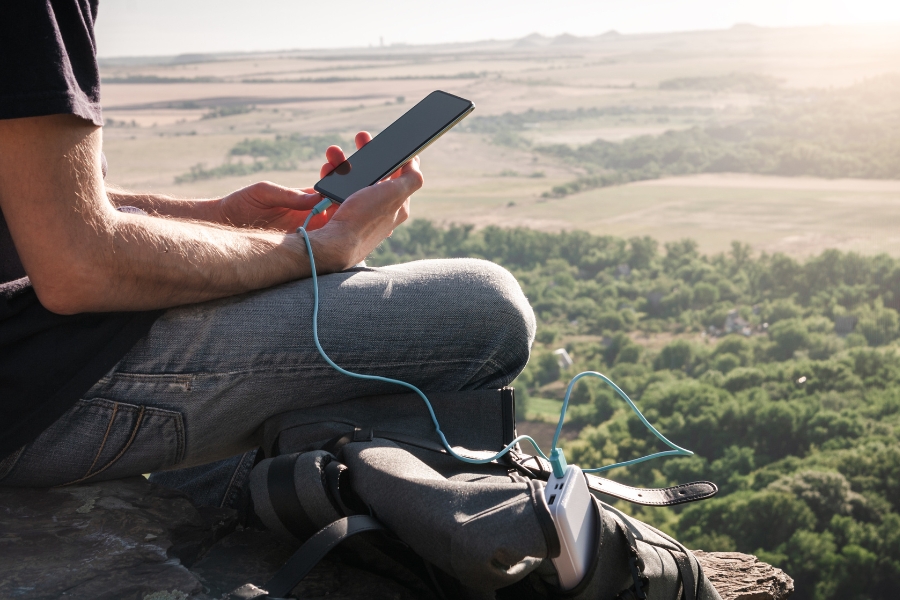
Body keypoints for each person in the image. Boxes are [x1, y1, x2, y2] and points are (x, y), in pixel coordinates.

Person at [0, 0, 535, 506]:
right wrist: (318, 250)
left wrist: (222, 222)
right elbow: (78, 268)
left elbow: (34, 199)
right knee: (488, 312)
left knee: (300, 286)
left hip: (30, 345)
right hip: (29, 386)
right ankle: (222, 520)